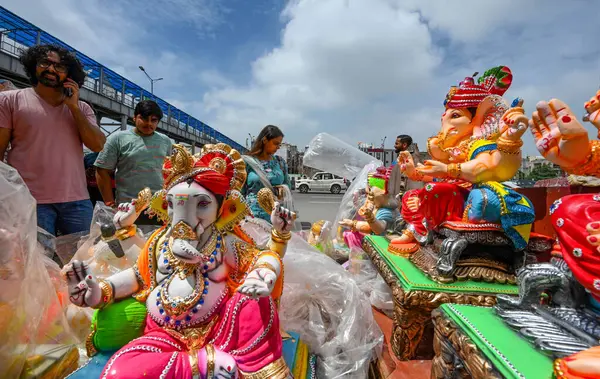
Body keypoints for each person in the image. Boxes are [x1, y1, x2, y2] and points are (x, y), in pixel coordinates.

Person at [0, 44, 106, 236]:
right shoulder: (9, 101)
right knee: (35, 263)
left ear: (69, 75)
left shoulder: (82, 109)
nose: (51, 69)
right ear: (34, 66)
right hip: (29, 200)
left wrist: (73, 107)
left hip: (77, 201)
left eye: (59, 67)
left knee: (84, 261)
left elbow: (98, 145)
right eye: (45, 63)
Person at [94, 100, 172, 225]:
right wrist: (110, 204)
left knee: (157, 242)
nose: (148, 124)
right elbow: (101, 170)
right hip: (128, 208)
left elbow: (171, 172)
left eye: (153, 120)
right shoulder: (117, 139)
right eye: (144, 118)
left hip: (160, 207)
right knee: (129, 242)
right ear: (134, 117)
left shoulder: (166, 141)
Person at [242, 125, 292, 222]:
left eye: (279, 145)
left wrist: (283, 190)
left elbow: (288, 186)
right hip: (252, 217)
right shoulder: (247, 162)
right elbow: (240, 193)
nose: (278, 147)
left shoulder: (280, 162)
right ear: (264, 140)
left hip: (276, 217)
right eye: (275, 143)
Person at [388, 134, 423, 199]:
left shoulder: (412, 159)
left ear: (404, 145)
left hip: (410, 196)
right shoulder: (401, 157)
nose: (394, 146)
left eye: (397, 144)